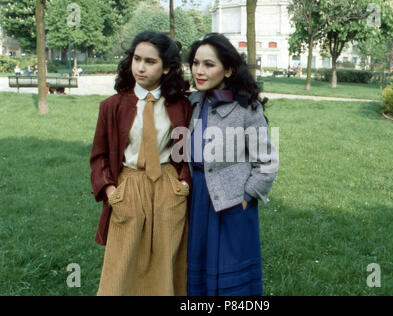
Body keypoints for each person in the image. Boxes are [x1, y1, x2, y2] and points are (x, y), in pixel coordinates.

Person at [90, 30, 192, 296]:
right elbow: (99, 156)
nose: (141, 67)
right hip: (129, 184)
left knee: (166, 263)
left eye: (150, 61)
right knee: (122, 266)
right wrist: (112, 193)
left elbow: (188, 151)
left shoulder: (180, 106)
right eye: (137, 59)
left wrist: (183, 183)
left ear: (167, 67)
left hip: (168, 186)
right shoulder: (112, 106)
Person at [186, 33, 279, 296]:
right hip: (197, 197)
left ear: (227, 69)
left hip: (232, 203)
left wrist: (247, 195)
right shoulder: (193, 102)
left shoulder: (246, 110)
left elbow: (267, 162)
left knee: (231, 277)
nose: (199, 71)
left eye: (208, 64)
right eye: (195, 63)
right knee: (198, 266)